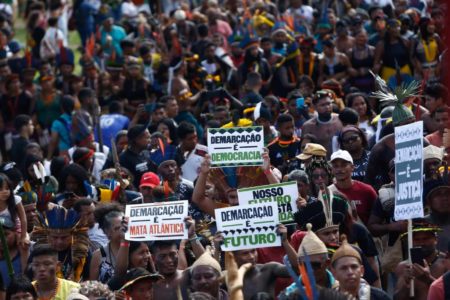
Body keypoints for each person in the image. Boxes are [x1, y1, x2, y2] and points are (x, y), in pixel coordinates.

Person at [31, 206, 90, 282]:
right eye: (55, 237)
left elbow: (89, 279)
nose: (59, 241)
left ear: (72, 235)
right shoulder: (38, 253)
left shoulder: (82, 252)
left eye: (64, 237)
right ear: (48, 235)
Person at [395, 219, 450, 300]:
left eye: (426, 238)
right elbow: (397, 298)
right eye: (417, 240)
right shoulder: (403, 267)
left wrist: (427, 279)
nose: (421, 243)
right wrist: (406, 284)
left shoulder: (446, 263)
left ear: (436, 239)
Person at [301, 90, 343, 158]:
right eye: (323, 105)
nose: (327, 107)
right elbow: (304, 151)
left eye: (329, 103)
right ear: (315, 107)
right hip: (320, 165)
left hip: (342, 163)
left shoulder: (341, 119)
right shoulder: (308, 126)